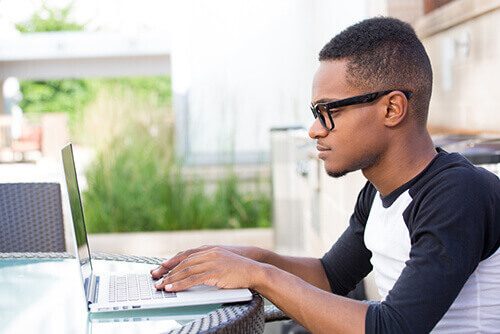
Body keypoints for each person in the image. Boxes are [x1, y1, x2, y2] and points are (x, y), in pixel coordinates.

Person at [151, 17, 500, 333]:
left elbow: (393, 328)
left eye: (329, 111)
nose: (315, 130)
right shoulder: (378, 192)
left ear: (392, 108)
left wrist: (260, 275)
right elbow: (330, 276)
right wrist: (252, 257)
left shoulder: (458, 194)